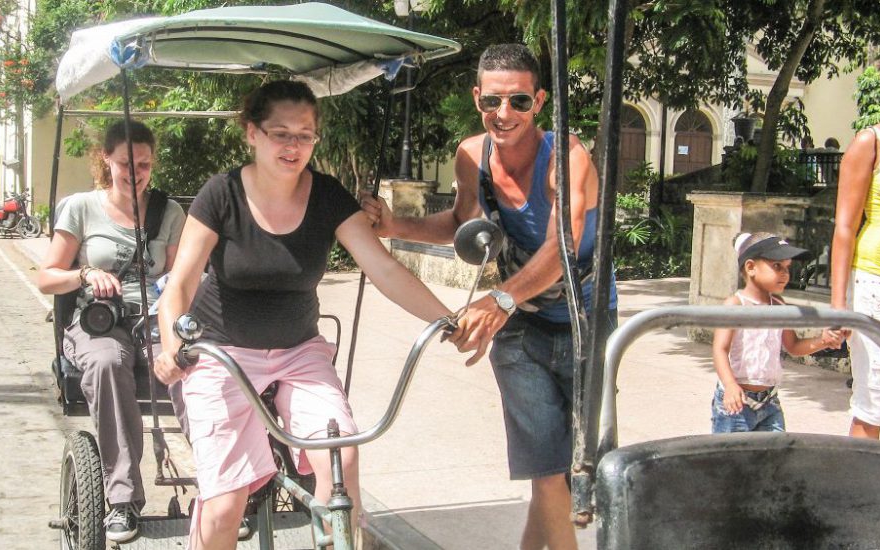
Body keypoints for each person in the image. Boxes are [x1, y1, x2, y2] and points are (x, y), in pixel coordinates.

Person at [152, 80, 467, 550]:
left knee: (343, 459)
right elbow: (180, 282)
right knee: (223, 506)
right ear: (251, 133)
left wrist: (449, 320)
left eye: (305, 134)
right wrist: (173, 340)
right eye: (281, 133)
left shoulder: (327, 196)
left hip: (300, 353)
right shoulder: (221, 194)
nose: (293, 146)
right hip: (222, 353)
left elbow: (381, 266)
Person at [360, 43, 616, 550]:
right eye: (492, 101)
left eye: (519, 102)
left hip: (586, 321)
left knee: (575, 471)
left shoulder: (566, 157)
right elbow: (462, 224)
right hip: (520, 325)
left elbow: (561, 245)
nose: (504, 114)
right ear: (477, 97)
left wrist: (498, 299)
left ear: (539, 102)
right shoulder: (471, 155)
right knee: (545, 469)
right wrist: (395, 224)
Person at [36, 121, 188, 544]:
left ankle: (220, 484)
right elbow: (47, 277)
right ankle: (122, 499)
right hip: (99, 320)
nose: (134, 172)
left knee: (192, 363)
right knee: (107, 362)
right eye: (125, 163)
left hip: (156, 317)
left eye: (143, 164)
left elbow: (181, 276)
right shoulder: (81, 207)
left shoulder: (169, 212)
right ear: (106, 159)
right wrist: (85, 274)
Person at [712, 232, 844, 433]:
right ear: (750, 267)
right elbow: (720, 349)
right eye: (777, 266)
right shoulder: (736, 305)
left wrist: (823, 340)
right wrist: (730, 385)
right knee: (732, 460)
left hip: (769, 401)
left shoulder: (780, 305)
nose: (785, 274)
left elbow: (793, 346)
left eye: (787, 268)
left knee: (775, 458)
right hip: (736, 402)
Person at [831, 79, 880, 440]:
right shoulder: (870, 143)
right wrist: (839, 305)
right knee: (874, 404)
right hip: (875, 285)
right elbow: (844, 228)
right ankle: (859, 495)